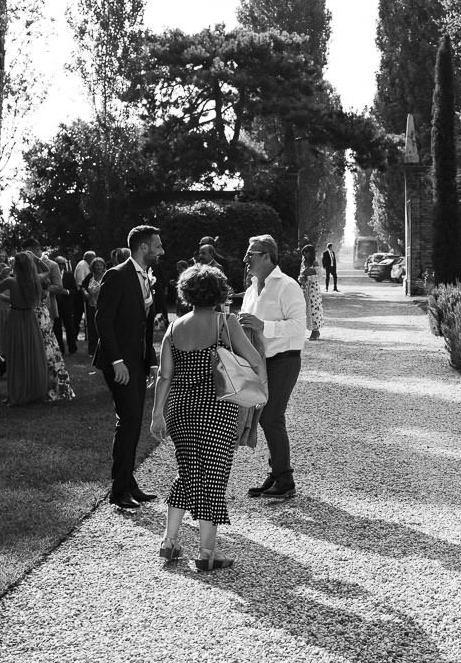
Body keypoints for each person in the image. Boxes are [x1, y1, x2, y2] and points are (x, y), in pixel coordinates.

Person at [149, 264, 266, 571]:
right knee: (212, 476)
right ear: (219, 292)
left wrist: (156, 414)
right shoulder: (225, 322)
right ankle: (206, 553)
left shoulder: (175, 328)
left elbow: (164, 376)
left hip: (181, 411)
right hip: (218, 411)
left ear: (186, 294)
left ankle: (169, 542)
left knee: (187, 472)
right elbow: (253, 360)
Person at [96, 225, 165, 510]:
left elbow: (143, 326)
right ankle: (118, 490)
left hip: (137, 361)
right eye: (158, 246)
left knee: (134, 422)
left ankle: (129, 482)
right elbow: (103, 321)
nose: (162, 251)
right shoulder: (117, 275)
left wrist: (149, 360)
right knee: (128, 423)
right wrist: (117, 362)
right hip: (120, 363)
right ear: (143, 247)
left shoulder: (144, 276)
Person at [239, 233, 306, 500]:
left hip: (284, 360)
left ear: (266, 256)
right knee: (264, 418)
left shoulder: (287, 286)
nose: (246, 259)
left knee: (271, 417)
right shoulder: (252, 288)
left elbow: (300, 327)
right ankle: (276, 473)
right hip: (260, 362)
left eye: (251, 254)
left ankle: (285, 479)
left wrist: (262, 326)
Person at [0, 252, 50, 406]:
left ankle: (17, 393)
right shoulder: (35, 280)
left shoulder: (10, 281)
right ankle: (33, 391)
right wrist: (36, 259)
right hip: (30, 319)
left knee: (16, 356)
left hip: (15, 318)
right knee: (32, 353)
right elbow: (47, 270)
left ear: (16, 265)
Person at [24, 239, 73, 401]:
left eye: (30, 251)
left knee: (48, 348)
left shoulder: (51, 265)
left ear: (37, 250)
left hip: (46, 310)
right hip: (27, 312)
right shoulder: (23, 267)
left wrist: (41, 287)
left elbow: (59, 287)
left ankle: (50, 383)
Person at [81, 257, 107, 356]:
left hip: (103, 307)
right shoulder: (90, 277)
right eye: (97, 265)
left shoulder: (106, 275)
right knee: (92, 329)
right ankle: (92, 351)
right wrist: (85, 293)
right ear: (93, 267)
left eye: (101, 265)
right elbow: (82, 287)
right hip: (91, 306)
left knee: (103, 328)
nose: (99, 267)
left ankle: (103, 350)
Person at [55, 254, 79, 354]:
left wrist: (67, 292)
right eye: (59, 264)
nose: (61, 266)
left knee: (69, 328)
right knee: (57, 329)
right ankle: (60, 349)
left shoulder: (69, 275)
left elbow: (75, 290)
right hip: (56, 305)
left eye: (62, 264)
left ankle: (72, 348)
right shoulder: (52, 275)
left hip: (67, 305)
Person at [299, 244, 323, 341]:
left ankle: (315, 330)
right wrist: (301, 278)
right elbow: (300, 275)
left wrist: (309, 276)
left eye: (306, 252)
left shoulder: (315, 263)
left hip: (313, 289)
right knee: (304, 308)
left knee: (314, 308)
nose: (304, 254)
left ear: (311, 253)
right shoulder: (303, 263)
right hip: (304, 288)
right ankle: (307, 329)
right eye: (303, 252)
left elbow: (320, 277)